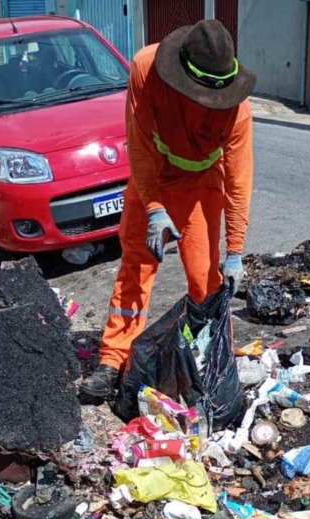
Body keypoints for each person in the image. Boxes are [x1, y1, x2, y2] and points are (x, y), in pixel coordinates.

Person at [80, 20, 256, 399]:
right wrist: (155, 209)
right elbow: (140, 146)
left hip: (200, 187)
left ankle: (211, 363)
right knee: (135, 269)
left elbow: (239, 180)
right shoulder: (146, 69)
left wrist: (236, 251)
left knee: (206, 281)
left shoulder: (237, 109)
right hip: (153, 179)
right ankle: (113, 360)